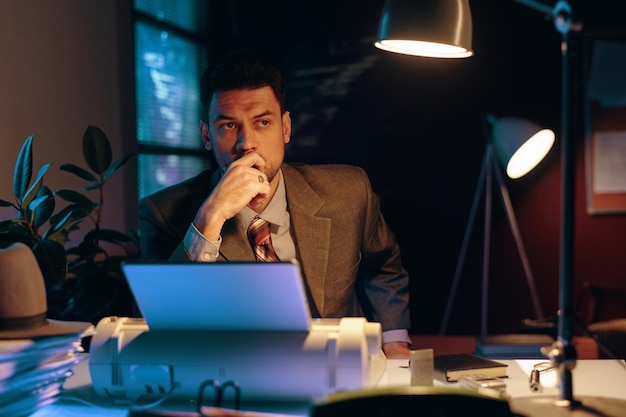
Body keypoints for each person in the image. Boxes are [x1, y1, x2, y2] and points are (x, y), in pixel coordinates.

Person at [138, 50, 411, 359]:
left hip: (337, 372)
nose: (246, 143)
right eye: (228, 126)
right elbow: (160, 325)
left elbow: (385, 267)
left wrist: (394, 339)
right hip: (234, 383)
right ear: (206, 135)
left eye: (263, 122)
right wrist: (209, 219)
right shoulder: (161, 213)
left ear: (285, 128)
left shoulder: (348, 191)